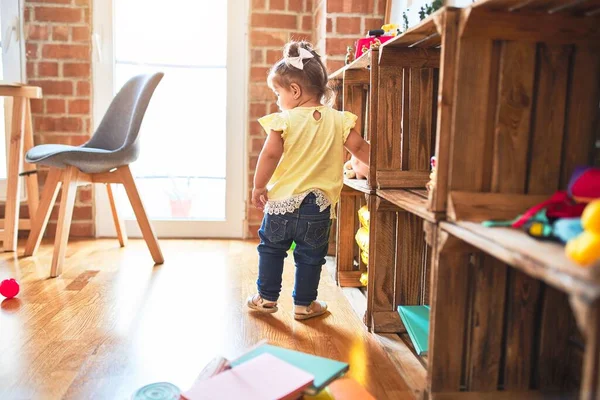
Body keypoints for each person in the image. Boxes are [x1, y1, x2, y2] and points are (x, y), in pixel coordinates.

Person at [248, 40, 370, 320]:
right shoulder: (339, 120)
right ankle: (304, 305)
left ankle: (266, 298)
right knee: (310, 257)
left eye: (277, 93)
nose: (277, 100)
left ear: (294, 90)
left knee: (271, 249)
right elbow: (361, 149)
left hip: (282, 203)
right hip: (319, 206)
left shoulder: (285, 121)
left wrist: (258, 187)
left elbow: (268, 156)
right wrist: (382, 170)